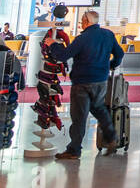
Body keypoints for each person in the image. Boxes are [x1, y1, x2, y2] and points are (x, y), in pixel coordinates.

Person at [43, 9, 123, 160]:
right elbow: (119, 54)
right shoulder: (108, 35)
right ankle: (112, 137)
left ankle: (74, 150)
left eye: (81, 21)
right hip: (101, 80)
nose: (81, 24)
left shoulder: (83, 38)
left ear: (86, 22)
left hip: (82, 82)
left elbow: (63, 56)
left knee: (79, 117)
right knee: (99, 109)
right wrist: (111, 65)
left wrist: (53, 44)